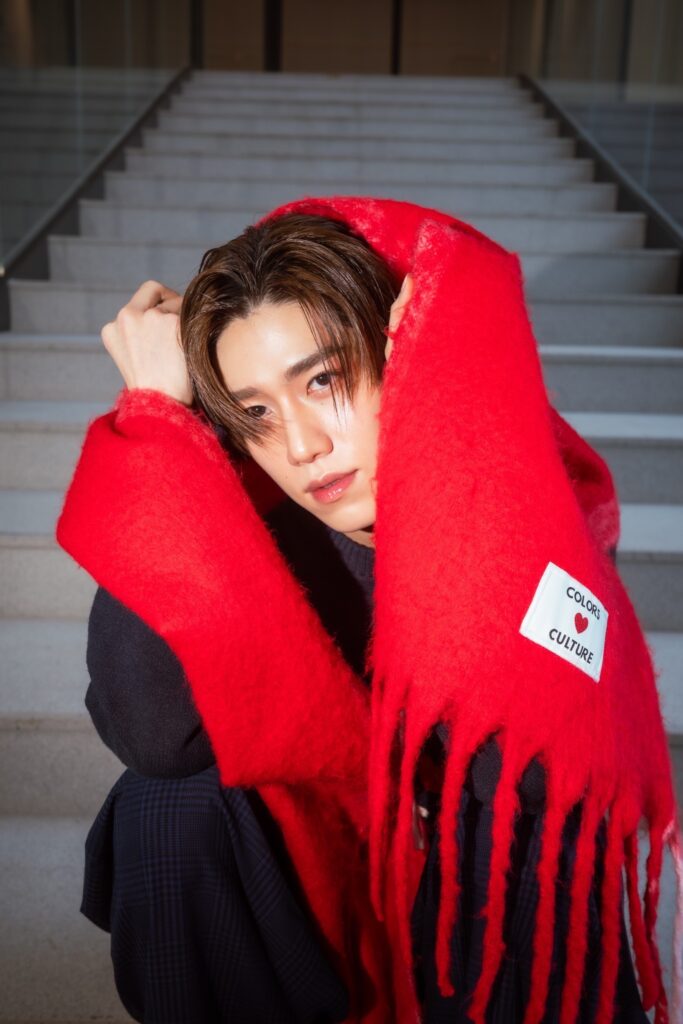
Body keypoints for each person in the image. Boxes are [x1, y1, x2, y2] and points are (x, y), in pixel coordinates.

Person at [57, 197, 679, 1024]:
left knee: (525, 825)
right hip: (328, 881)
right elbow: (152, 737)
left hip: (472, 905)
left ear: (403, 354)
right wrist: (165, 433)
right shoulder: (257, 528)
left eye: (323, 381)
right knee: (166, 806)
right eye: (255, 413)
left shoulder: (529, 511)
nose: (302, 446)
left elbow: (527, 783)